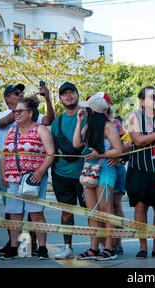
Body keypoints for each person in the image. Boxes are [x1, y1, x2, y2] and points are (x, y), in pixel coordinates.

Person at [0, 83, 54, 257]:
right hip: (12, 179)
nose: (16, 114)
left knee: (36, 214)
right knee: (15, 215)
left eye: (20, 111)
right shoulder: (11, 130)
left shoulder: (40, 129)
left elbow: (51, 153)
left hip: (32, 179)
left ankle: (42, 248)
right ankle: (14, 247)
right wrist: (5, 173)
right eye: (15, 111)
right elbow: (4, 154)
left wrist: (41, 171)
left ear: (30, 113)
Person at [73, 92, 123, 261]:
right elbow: (76, 144)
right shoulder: (87, 126)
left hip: (106, 171)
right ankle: (94, 248)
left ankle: (109, 247)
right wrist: (79, 121)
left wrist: (99, 155)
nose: (84, 111)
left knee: (105, 209)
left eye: (86, 110)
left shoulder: (109, 127)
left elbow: (119, 150)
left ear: (93, 111)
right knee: (92, 210)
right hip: (89, 170)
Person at [126, 86, 155, 259]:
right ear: (141, 101)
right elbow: (138, 140)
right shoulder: (134, 116)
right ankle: (143, 246)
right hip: (140, 168)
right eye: (151, 97)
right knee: (140, 206)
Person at [50, 82, 87, 260]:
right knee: (66, 211)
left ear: (78, 94)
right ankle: (67, 247)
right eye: (64, 94)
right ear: (60, 99)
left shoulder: (88, 116)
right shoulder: (57, 122)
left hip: (86, 174)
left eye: (71, 92)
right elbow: (53, 147)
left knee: (91, 212)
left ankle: (98, 246)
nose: (68, 96)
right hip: (61, 174)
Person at [107, 109, 132, 256]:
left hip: (116, 167)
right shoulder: (88, 122)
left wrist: (116, 154)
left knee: (115, 205)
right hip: (97, 169)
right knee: (103, 208)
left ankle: (117, 243)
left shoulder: (115, 123)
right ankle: (105, 243)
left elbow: (127, 143)